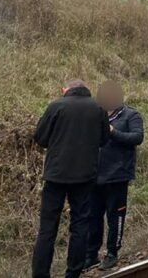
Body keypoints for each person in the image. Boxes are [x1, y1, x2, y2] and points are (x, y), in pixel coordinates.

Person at [32, 79, 110, 278]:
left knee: (47, 228)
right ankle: (73, 273)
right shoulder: (98, 108)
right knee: (80, 224)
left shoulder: (56, 106)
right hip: (85, 176)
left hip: (56, 175)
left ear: (66, 89)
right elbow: (104, 140)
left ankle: (40, 274)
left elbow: (40, 138)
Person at [85, 80, 144, 271]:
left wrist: (113, 132)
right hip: (94, 175)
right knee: (93, 216)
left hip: (118, 175)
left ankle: (112, 253)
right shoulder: (95, 114)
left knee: (115, 216)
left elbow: (137, 138)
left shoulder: (131, 115)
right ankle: (91, 255)